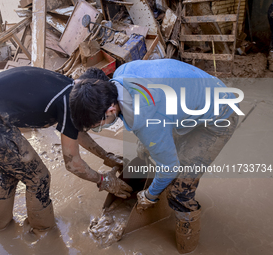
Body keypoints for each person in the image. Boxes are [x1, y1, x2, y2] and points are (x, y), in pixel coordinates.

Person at [69, 59, 240, 253]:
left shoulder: (147, 118)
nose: (99, 128)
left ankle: (188, 247)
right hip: (201, 91)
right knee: (150, 150)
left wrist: (149, 196)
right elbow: (155, 115)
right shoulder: (122, 75)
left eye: (97, 126)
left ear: (110, 110)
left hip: (221, 115)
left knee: (180, 190)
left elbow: (169, 167)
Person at [0, 66, 132, 234]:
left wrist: (106, 156)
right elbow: (73, 164)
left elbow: (75, 132)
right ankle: (44, 233)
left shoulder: (72, 90)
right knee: (38, 177)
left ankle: (2, 227)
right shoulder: (71, 106)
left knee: (12, 172)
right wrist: (103, 180)